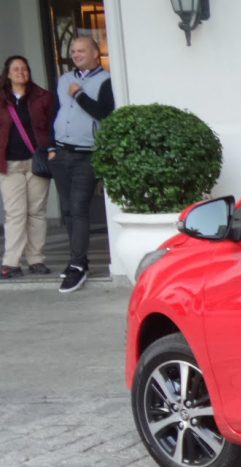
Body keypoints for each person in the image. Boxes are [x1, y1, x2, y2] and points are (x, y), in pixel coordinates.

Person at [51, 35, 114, 293]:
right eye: (73, 51)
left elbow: (104, 113)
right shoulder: (64, 79)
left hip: (87, 155)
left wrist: (78, 95)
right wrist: (51, 149)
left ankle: (77, 265)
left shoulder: (106, 80)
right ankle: (78, 259)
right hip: (61, 153)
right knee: (68, 211)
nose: (76, 55)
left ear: (95, 53)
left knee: (78, 209)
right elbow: (56, 112)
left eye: (81, 50)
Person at [0, 55, 56, 280]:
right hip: (9, 164)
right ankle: (11, 262)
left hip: (36, 162)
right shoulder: (1, 98)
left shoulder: (43, 97)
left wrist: (52, 149)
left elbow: (52, 125)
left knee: (36, 212)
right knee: (15, 213)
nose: (20, 72)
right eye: (15, 69)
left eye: (24, 68)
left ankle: (36, 259)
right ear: (7, 73)